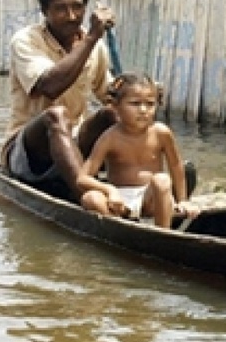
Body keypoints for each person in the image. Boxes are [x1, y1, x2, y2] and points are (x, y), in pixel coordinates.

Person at [0, 0, 118, 201]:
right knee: (56, 115)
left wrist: (139, 93)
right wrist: (92, 38)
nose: (72, 16)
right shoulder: (26, 40)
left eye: (77, 7)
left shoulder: (96, 47)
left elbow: (109, 93)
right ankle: (86, 197)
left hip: (75, 144)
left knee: (112, 112)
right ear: (45, 11)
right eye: (61, 9)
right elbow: (50, 86)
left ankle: (137, 185)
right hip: (28, 153)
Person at [77, 73, 200, 229]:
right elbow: (82, 178)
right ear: (115, 106)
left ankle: (163, 233)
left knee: (161, 180)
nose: (143, 110)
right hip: (120, 201)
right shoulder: (110, 138)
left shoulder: (161, 133)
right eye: (135, 104)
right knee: (90, 198)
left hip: (152, 198)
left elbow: (176, 166)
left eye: (150, 104)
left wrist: (183, 201)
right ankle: (119, 229)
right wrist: (110, 190)